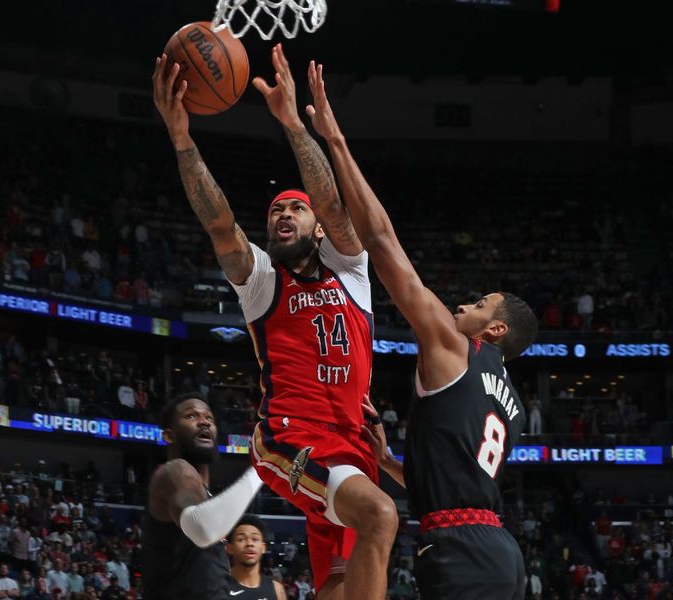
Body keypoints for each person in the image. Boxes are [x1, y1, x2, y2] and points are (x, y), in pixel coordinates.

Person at [152, 43, 397, 600]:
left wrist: (291, 121)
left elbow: (335, 207)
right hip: (291, 438)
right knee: (381, 516)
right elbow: (219, 224)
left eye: (294, 209)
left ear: (316, 229)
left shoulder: (352, 273)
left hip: (354, 447)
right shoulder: (263, 281)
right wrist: (183, 138)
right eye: (274, 212)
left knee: (337, 584)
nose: (283, 215)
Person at [304, 60, 537, 599]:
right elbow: (455, 487)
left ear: (496, 329)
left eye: (480, 303)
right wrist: (387, 461)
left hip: (458, 550)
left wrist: (336, 140)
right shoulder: (514, 405)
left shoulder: (456, 348)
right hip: (498, 552)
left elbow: (382, 243)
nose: (463, 304)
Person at [142, 393, 264, 600]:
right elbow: (202, 528)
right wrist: (262, 470)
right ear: (168, 435)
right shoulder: (173, 471)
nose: (204, 422)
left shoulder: (206, 498)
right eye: (191, 416)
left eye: (209, 418)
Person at [225, 515, 286, 600]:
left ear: (263, 547)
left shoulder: (277, 590)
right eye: (241, 539)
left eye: (255, 539)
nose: (249, 543)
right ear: (229, 548)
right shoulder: (217, 587)